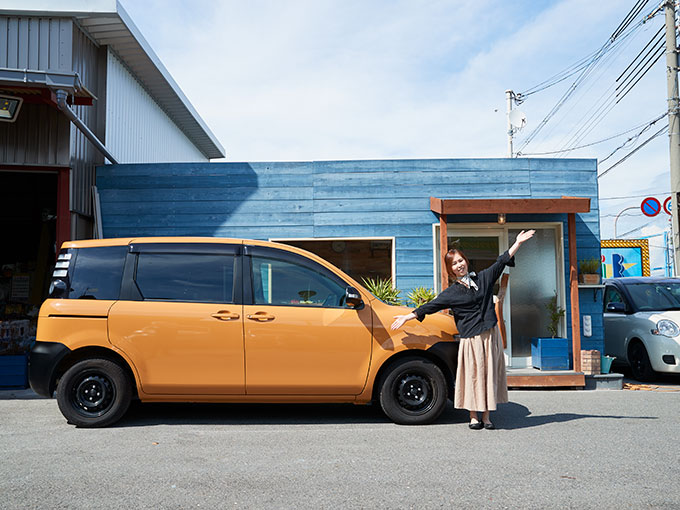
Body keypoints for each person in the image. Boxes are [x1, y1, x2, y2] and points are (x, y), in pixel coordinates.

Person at [391, 229, 535, 430]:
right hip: (471, 339)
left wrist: (517, 243)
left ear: (465, 261)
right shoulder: (451, 293)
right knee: (474, 376)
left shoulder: (483, 278)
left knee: (489, 375)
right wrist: (408, 316)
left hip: (490, 336)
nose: (459, 265)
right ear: (451, 270)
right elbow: (430, 306)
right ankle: (473, 416)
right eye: (454, 264)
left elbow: (501, 261)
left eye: (461, 261)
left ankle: (486, 416)